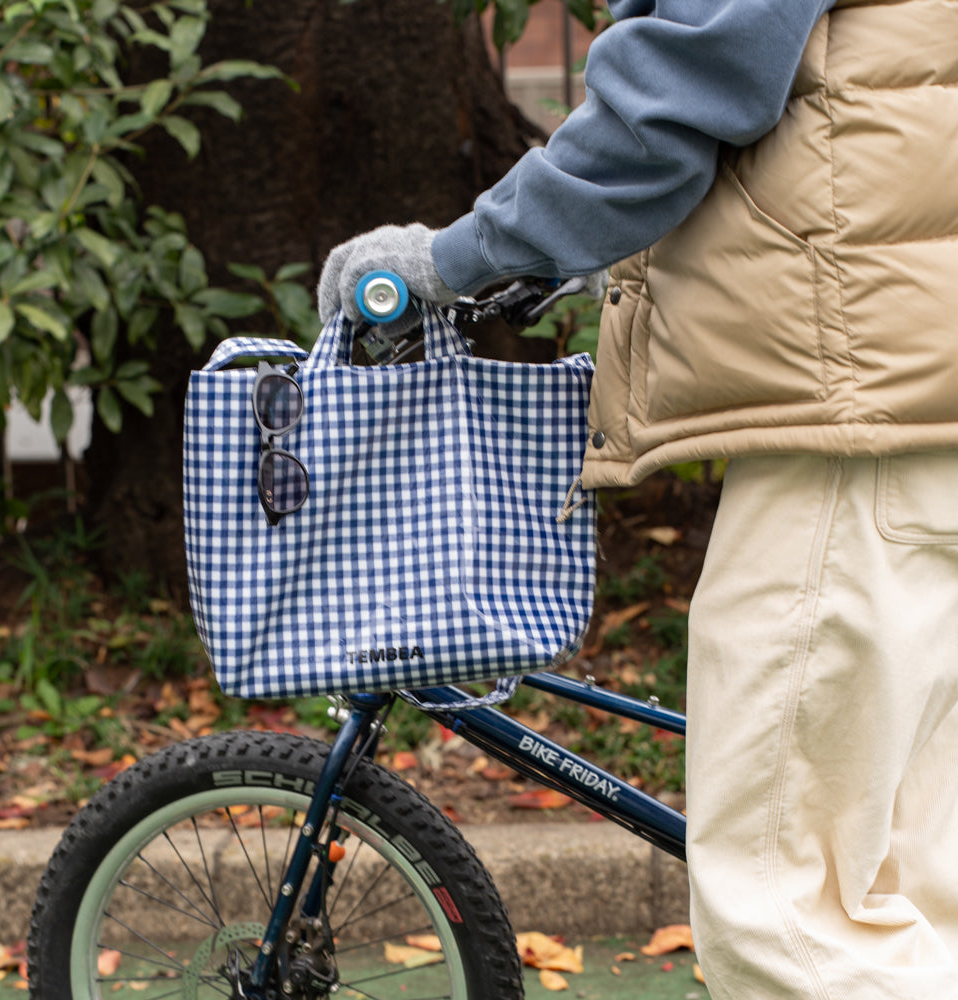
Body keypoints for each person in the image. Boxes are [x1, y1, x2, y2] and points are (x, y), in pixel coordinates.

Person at [318, 1, 958, 996]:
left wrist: (446, 261)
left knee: (785, 913)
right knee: (908, 887)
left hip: (853, 418)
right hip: (917, 393)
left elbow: (676, 104)